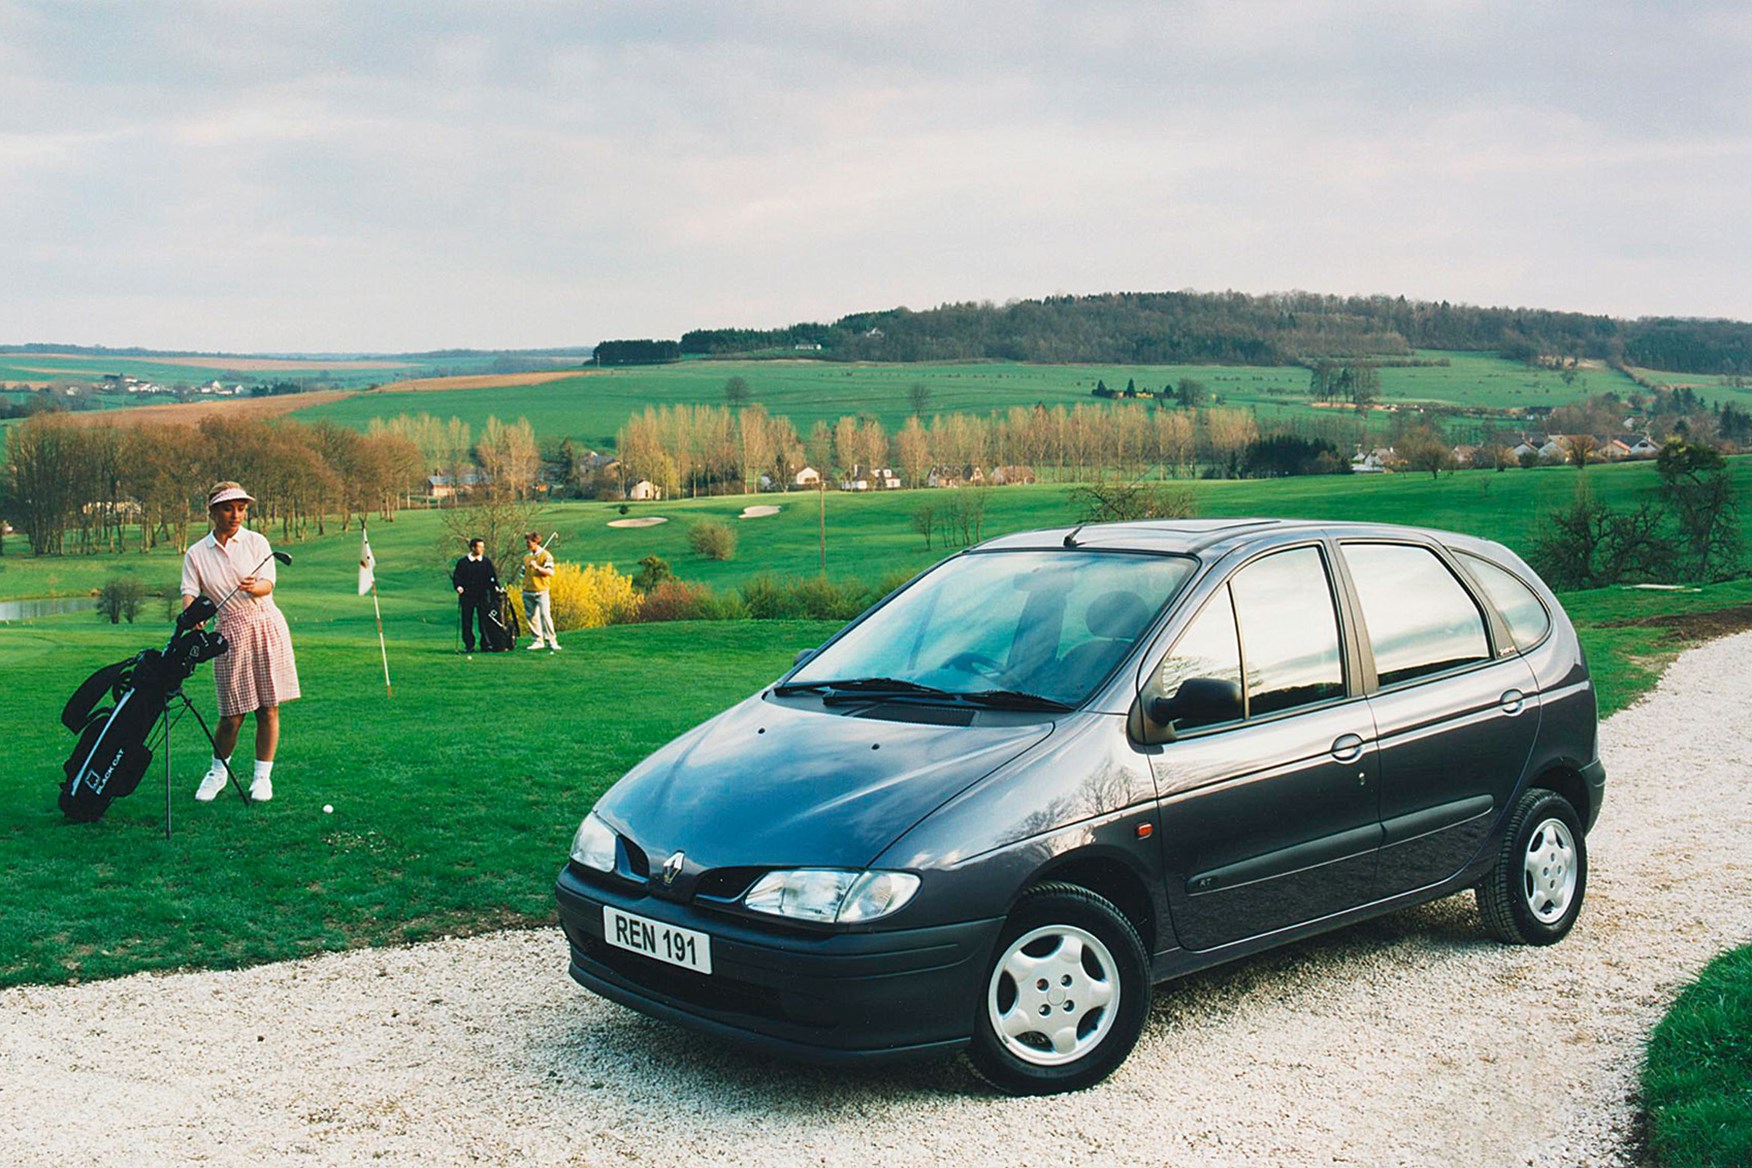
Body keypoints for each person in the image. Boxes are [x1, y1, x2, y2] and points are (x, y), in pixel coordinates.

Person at [180, 481, 300, 803]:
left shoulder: (257, 542)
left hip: (266, 625)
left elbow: (268, 583)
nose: (236, 515)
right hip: (229, 633)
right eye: (228, 508)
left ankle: (262, 778)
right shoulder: (196, 554)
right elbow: (189, 593)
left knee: (268, 709)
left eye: (242, 508)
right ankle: (217, 772)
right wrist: (194, 616)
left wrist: (254, 587)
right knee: (232, 714)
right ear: (213, 511)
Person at [451, 537, 499, 653]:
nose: (482, 549)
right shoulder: (463, 562)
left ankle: (486, 644)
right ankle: (469, 645)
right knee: (467, 621)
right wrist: (458, 587)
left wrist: (495, 588)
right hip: (467, 595)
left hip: (483, 595)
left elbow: (492, 578)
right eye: (480, 547)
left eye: (483, 547)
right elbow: (457, 577)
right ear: (473, 548)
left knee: (484, 620)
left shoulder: (486, 562)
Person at [521, 531, 559, 651]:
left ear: (536, 542)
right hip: (527, 590)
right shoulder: (527, 557)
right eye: (527, 542)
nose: (527, 544)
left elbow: (550, 572)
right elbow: (523, 574)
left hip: (541, 590)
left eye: (530, 542)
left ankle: (552, 641)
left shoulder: (546, 555)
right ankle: (537, 641)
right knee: (531, 617)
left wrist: (537, 567)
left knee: (545, 616)